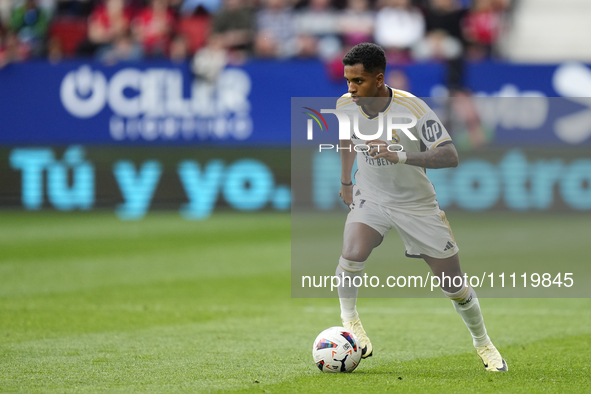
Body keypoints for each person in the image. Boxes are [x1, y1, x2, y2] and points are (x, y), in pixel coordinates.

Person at [334, 42, 507, 372]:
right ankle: (351, 323)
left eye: (358, 81)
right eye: (347, 81)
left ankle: (483, 343)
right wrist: (345, 181)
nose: (351, 89)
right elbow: (345, 138)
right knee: (352, 254)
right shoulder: (345, 105)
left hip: (416, 205)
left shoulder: (414, 110)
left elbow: (450, 156)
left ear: (379, 79)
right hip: (371, 196)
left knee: (454, 287)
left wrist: (400, 154)